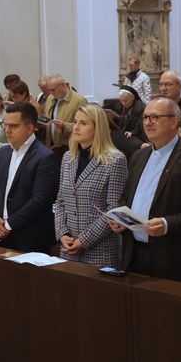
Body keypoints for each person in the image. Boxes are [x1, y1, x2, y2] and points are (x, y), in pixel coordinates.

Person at [109, 97, 181, 282]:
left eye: (155, 117)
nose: (148, 123)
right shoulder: (138, 156)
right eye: (145, 117)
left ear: (174, 121)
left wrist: (167, 224)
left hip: (171, 257)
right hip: (133, 252)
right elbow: (126, 197)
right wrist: (120, 218)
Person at [54, 104, 129, 265]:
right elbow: (60, 201)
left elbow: (113, 210)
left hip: (99, 250)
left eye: (83, 123)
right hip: (68, 247)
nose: (76, 127)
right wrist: (62, 234)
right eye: (75, 122)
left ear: (98, 128)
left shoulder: (115, 160)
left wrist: (84, 240)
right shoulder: (68, 157)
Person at [0, 101, 59, 253]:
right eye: (5, 125)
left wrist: (9, 224)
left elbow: (40, 200)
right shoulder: (3, 153)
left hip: (29, 237)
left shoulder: (44, 157)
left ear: (30, 128)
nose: (7, 130)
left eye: (13, 126)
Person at [42, 74, 86, 149]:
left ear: (63, 85)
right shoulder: (50, 98)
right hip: (51, 146)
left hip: (69, 148)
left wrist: (64, 126)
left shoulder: (79, 100)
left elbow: (85, 127)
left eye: (53, 89)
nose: (51, 93)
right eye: (49, 90)